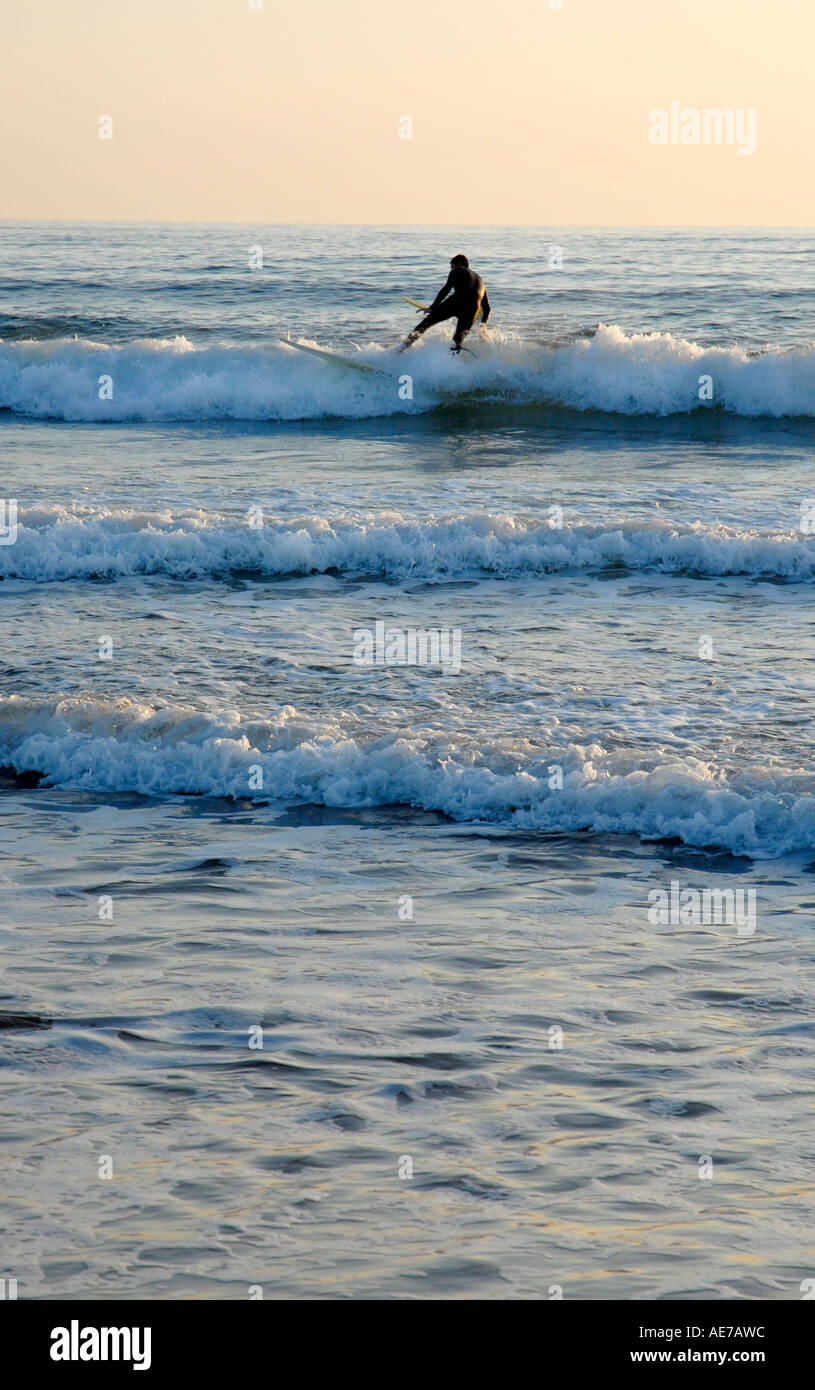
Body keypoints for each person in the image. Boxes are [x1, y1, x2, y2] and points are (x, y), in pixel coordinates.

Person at [400, 254, 491, 353]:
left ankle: (400, 350)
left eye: (452, 266)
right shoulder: (480, 280)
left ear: (458, 264)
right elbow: (487, 308)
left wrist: (433, 307)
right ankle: (453, 363)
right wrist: (483, 327)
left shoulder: (457, 270)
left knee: (424, 325)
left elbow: (446, 289)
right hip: (473, 309)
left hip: (457, 301)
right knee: (456, 341)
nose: (451, 269)